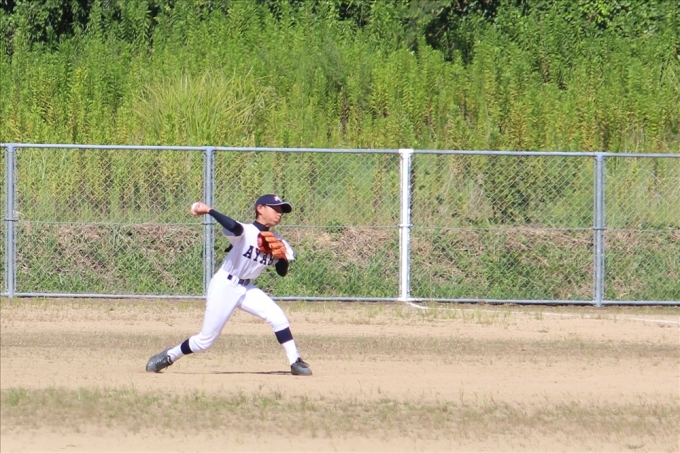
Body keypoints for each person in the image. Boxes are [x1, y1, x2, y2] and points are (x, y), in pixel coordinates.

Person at [145, 194, 312, 376]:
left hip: (246, 288)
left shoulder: (278, 241)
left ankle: (295, 361)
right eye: (276, 209)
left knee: (277, 316)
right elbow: (233, 227)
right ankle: (170, 356)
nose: (279, 213)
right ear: (260, 208)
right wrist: (209, 210)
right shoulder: (246, 231)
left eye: (282, 211)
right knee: (205, 341)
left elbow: (282, 272)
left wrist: (280, 256)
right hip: (225, 285)